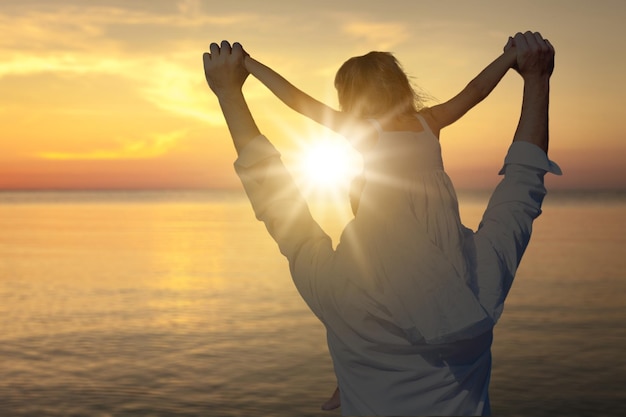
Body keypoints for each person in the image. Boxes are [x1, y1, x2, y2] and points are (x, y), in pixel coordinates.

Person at [203, 31, 561, 416]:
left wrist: (237, 82)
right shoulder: (477, 287)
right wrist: (523, 68)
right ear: (402, 87)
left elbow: (292, 130)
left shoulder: (338, 288)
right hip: (439, 239)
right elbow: (519, 180)